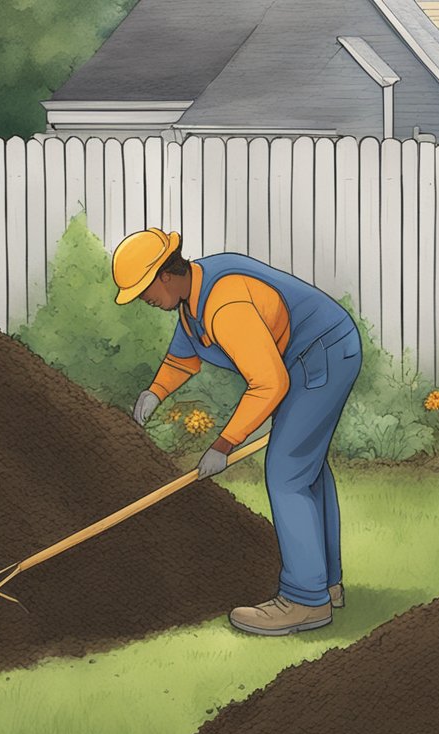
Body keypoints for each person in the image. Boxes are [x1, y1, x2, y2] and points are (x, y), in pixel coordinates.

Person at [113, 227, 361, 636]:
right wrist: (155, 393)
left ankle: (304, 601)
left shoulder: (224, 304)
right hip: (303, 355)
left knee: (287, 471)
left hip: (321, 355)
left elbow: (269, 384)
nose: (145, 300)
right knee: (307, 469)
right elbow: (184, 357)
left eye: (144, 291)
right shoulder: (193, 298)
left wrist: (224, 445)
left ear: (165, 276)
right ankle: (326, 584)